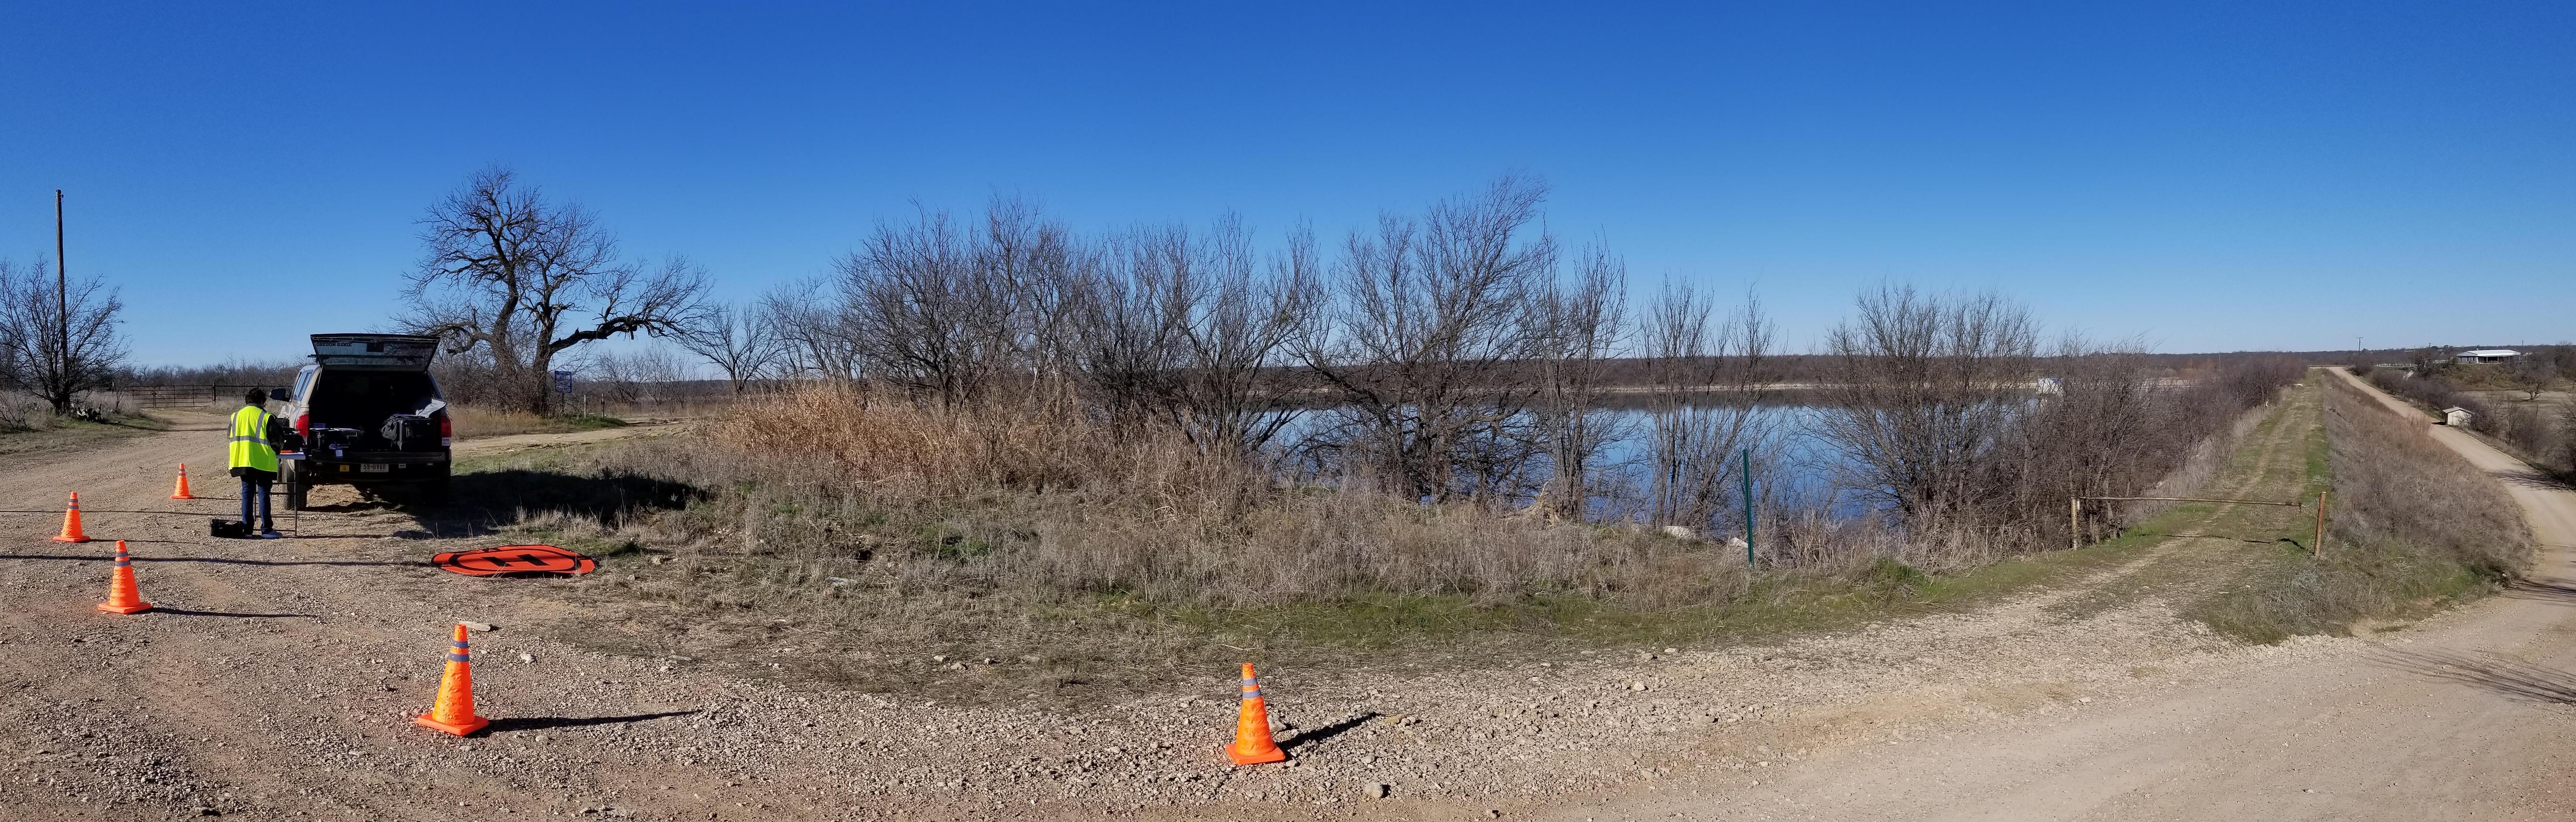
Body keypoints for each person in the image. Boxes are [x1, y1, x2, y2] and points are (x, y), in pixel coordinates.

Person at [226, 388, 286, 538]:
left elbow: (230, 436)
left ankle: (247, 530)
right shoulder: (266, 417)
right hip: (262, 462)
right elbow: (277, 442)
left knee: (247, 494)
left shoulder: (236, 416)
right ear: (262, 402)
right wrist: (279, 450)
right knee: (264, 494)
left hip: (242, 461)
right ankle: (266, 529)